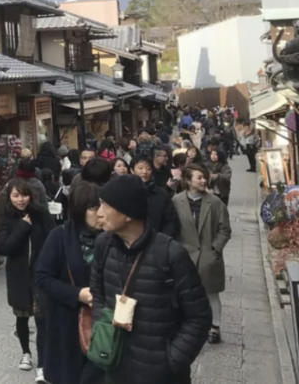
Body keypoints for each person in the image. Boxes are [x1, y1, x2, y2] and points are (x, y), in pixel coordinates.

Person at [91, 175, 212, 383]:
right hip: (116, 365)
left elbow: (199, 317)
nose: (98, 214)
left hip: (161, 374)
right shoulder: (104, 245)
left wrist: (171, 360)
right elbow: (97, 294)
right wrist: (103, 331)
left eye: (105, 206)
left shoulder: (170, 254)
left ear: (127, 213)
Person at [35, 182, 105, 384]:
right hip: (66, 323)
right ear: (80, 209)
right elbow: (43, 277)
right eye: (94, 208)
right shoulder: (60, 236)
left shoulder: (111, 238)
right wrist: (77, 294)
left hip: (103, 324)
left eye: (103, 206)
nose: (100, 213)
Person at [0, 178, 55, 374]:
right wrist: (22, 227)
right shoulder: (5, 218)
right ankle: (26, 353)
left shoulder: (41, 214)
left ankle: (44, 361)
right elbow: (4, 248)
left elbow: (53, 239)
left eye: (24, 195)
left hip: (40, 274)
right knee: (22, 316)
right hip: (18, 275)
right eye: (16, 195)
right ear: (9, 197)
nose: (21, 199)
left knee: (42, 318)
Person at [174, 163, 232, 344]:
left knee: (211, 293)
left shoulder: (215, 202)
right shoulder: (176, 201)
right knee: (184, 293)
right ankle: (187, 325)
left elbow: (225, 229)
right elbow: (173, 227)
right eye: (199, 177)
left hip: (208, 254)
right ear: (188, 180)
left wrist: (216, 248)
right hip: (184, 254)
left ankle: (215, 327)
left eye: (204, 177)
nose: (204, 180)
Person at [133, 157, 180, 238]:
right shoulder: (124, 192)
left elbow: (171, 220)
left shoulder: (161, 193)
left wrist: (162, 239)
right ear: (132, 170)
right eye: (140, 168)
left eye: (148, 169)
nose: (144, 172)